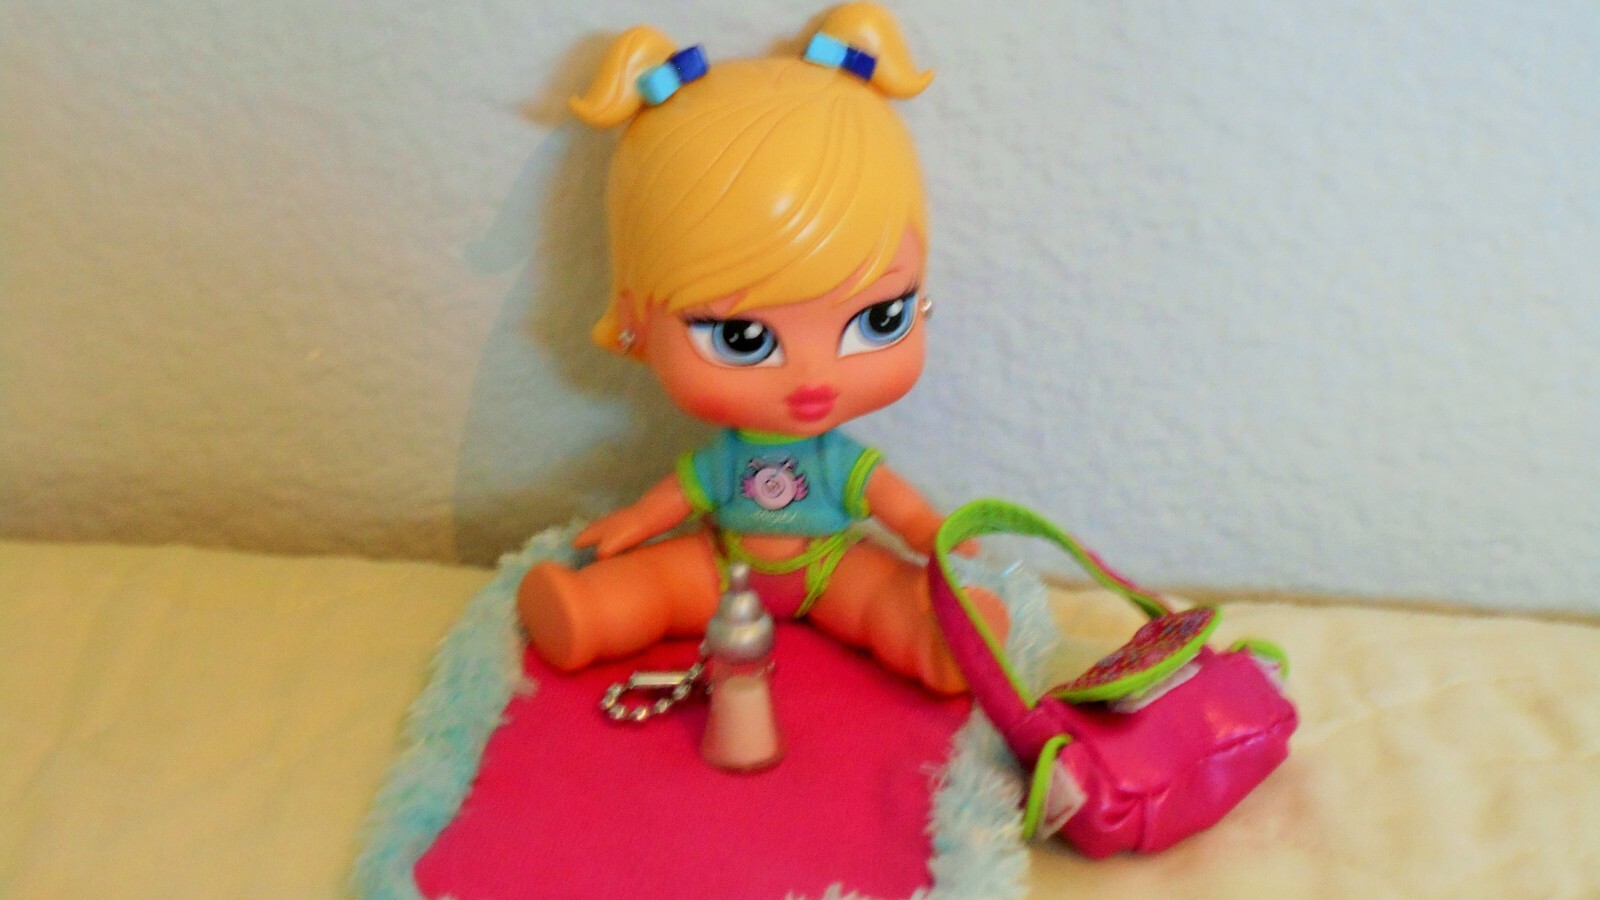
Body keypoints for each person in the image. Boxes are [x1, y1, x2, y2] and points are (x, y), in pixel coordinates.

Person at [518, 2, 1006, 695]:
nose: (813, 376)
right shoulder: (724, 461)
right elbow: (680, 494)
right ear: (634, 321)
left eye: (876, 319)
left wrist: (930, 531)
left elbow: (893, 504)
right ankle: (588, 612)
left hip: (832, 565)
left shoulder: (838, 462)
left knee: (886, 595)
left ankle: (941, 642)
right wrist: (635, 521)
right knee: (654, 583)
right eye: (743, 338)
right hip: (722, 567)